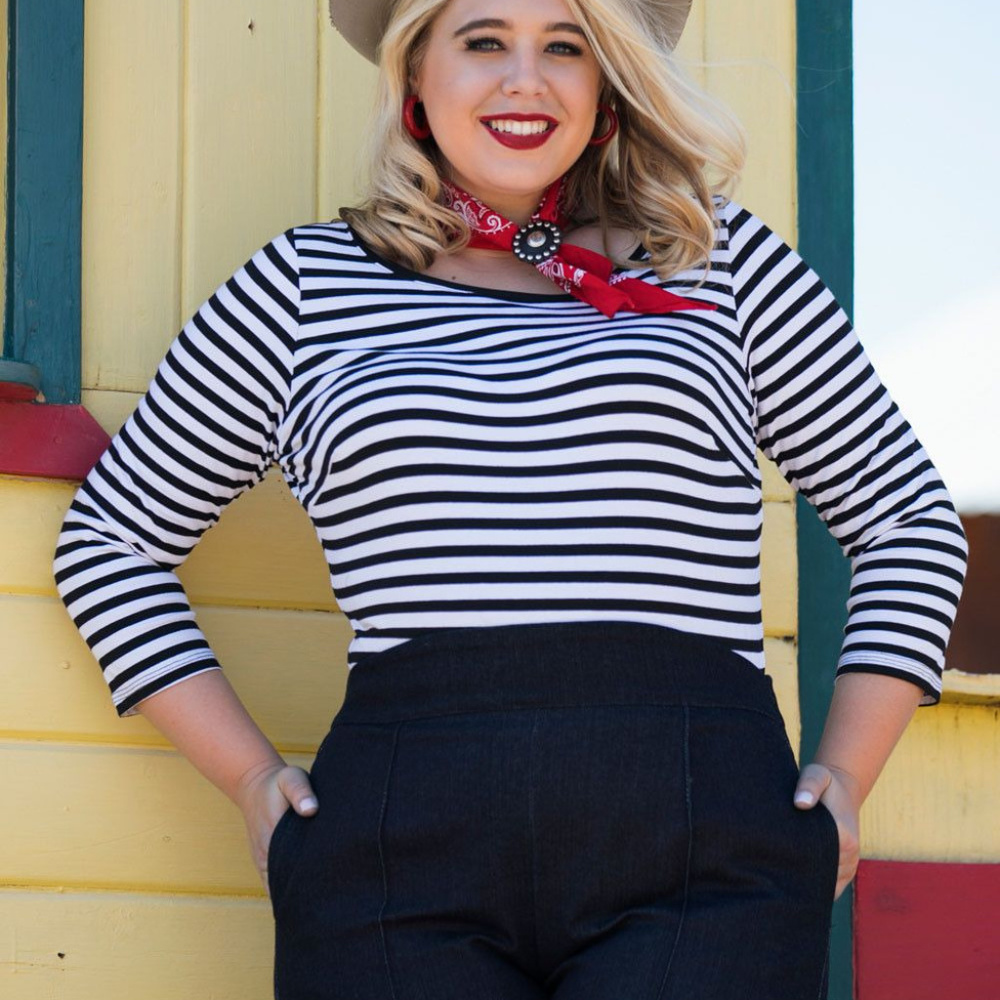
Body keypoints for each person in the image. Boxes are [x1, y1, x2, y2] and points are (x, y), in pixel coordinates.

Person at [53, 0, 968, 997]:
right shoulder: (301, 287)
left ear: (605, 80)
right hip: (398, 841)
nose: (524, 78)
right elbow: (110, 541)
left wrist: (846, 772)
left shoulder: (720, 263)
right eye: (483, 40)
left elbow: (905, 516)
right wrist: (248, 778)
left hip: (707, 839)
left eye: (565, 46)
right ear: (415, 74)